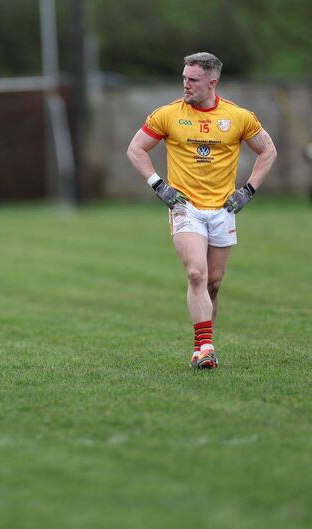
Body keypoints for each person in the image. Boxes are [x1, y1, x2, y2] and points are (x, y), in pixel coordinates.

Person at [126, 52, 277, 369]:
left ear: (212, 82)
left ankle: (202, 346)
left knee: (213, 284)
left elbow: (268, 151)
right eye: (184, 78)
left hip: (223, 210)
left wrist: (248, 191)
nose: (186, 84)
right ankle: (206, 348)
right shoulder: (168, 115)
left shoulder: (238, 117)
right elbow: (135, 148)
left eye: (193, 80)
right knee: (196, 273)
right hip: (185, 207)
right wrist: (159, 185)